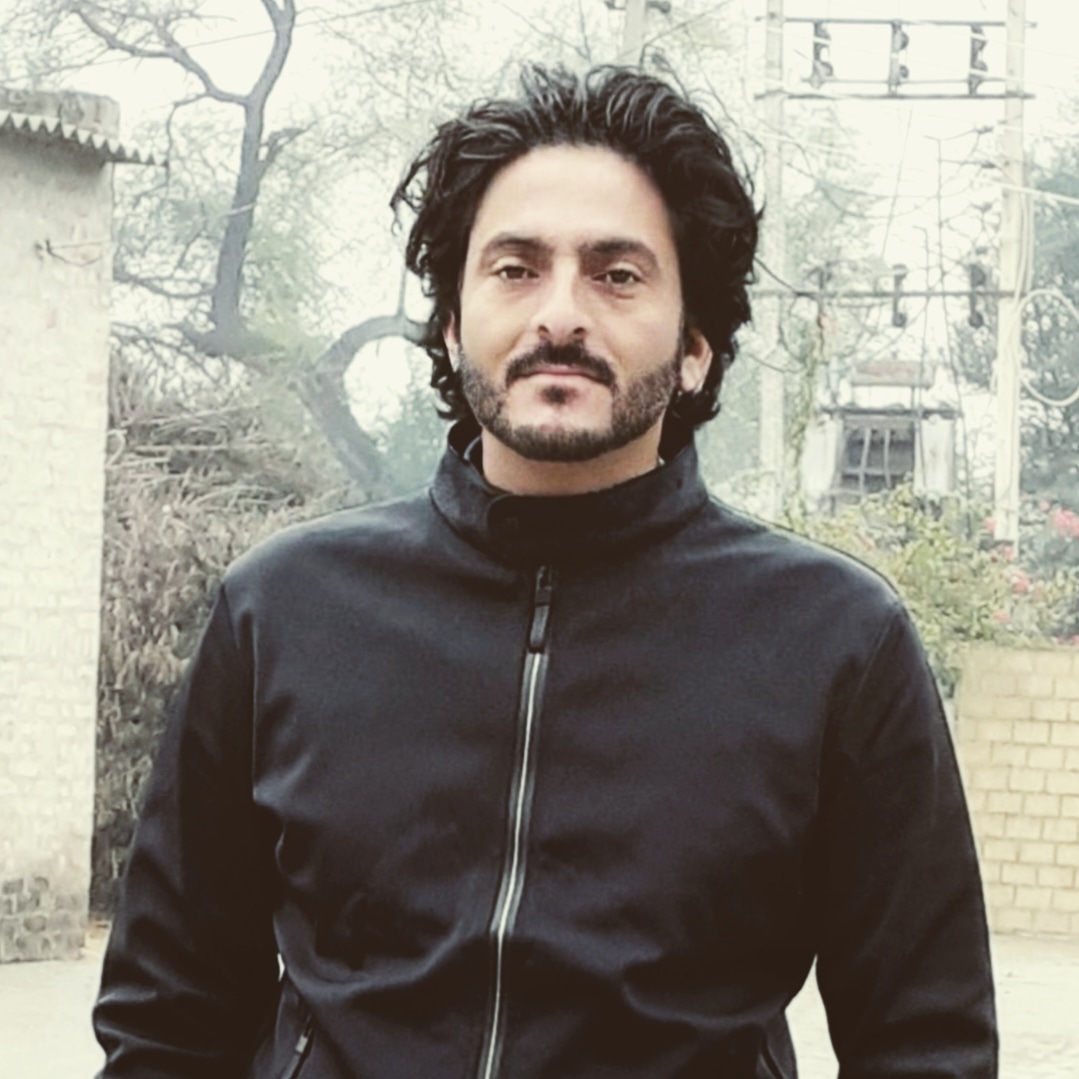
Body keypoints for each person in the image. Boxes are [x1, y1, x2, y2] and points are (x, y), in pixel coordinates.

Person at [93, 65, 997, 1078]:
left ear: (695, 347)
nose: (559, 315)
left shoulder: (834, 641)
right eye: (515, 268)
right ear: (450, 322)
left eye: (617, 275)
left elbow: (925, 1043)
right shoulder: (282, 612)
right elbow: (166, 1021)